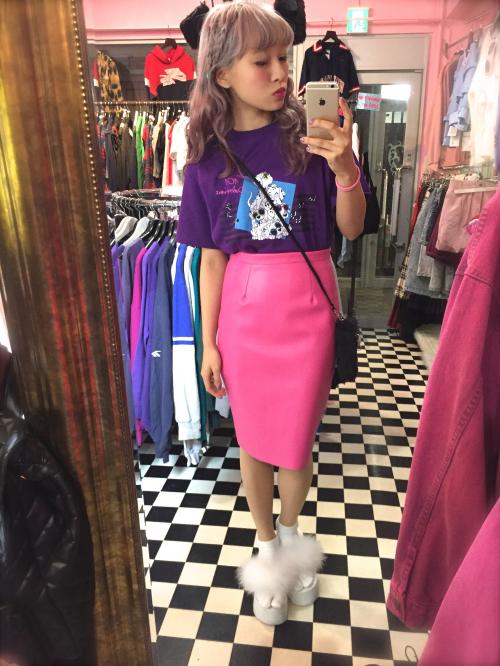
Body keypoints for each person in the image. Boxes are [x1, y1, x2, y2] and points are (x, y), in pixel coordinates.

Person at [176, 1, 368, 626]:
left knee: (296, 439)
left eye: (285, 57)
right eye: (263, 61)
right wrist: (208, 342)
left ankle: (290, 536)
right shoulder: (205, 157)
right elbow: (210, 260)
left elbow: (351, 229)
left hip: (308, 304)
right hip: (244, 310)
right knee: (254, 441)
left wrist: (344, 167)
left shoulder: (312, 135)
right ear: (222, 74)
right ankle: (266, 551)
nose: (282, 72)